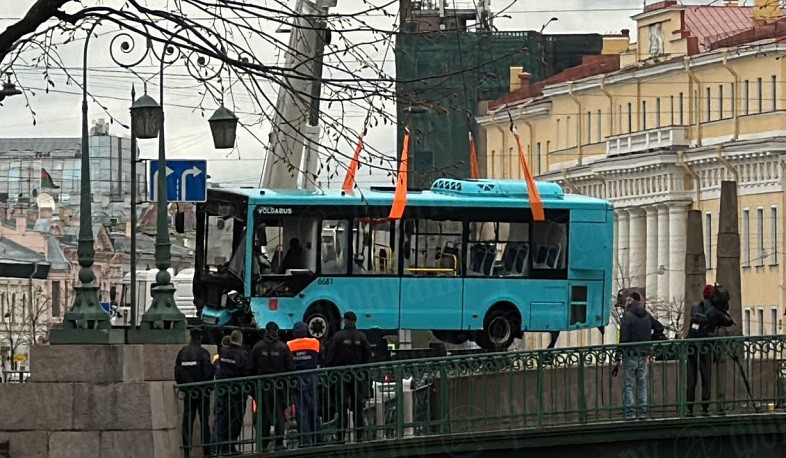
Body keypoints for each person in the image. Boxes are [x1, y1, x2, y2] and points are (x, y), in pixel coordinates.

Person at [323, 311, 372, 443]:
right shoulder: (361, 337)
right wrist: (366, 376)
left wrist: (328, 372)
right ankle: (359, 435)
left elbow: (330, 357)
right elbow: (368, 358)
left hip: (341, 375)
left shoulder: (338, 336)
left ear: (344, 320)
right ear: (355, 321)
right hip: (358, 375)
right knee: (357, 407)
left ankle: (340, 435)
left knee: (341, 405)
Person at [616, 292, 664, 420]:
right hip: (643, 354)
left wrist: (617, 356)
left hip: (630, 354)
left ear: (630, 301)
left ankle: (630, 413)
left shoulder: (628, 316)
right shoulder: (646, 315)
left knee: (628, 384)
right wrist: (650, 340)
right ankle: (643, 411)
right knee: (642, 383)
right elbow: (660, 327)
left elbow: (623, 339)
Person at [685, 284, 730, 416]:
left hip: (691, 346)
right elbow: (728, 321)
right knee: (706, 377)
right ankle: (705, 407)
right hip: (706, 346)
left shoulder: (695, 307)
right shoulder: (715, 310)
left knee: (691, 378)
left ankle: (689, 407)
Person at [251, 322, 295, 452]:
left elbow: (249, 369)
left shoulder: (257, 347)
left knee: (264, 415)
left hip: (263, 387)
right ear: (277, 331)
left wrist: (254, 390)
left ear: (265, 331)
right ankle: (279, 443)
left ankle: (264, 445)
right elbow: (291, 368)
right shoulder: (283, 347)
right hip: (279, 387)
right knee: (279, 415)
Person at [174, 328, 215, 458]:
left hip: (189, 392)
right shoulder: (203, 353)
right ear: (200, 338)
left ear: (190, 337)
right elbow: (208, 372)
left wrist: (184, 386)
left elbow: (178, 371)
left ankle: (187, 451)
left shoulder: (183, 352)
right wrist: (206, 386)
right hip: (202, 392)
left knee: (187, 421)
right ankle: (207, 451)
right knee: (204, 422)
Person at [214, 330, 251, 455]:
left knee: (222, 418)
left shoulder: (223, 351)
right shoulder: (243, 354)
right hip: (237, 392)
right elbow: (246, 372)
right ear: (240, 340)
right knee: (236, 419)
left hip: (223, 389)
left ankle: (220, 446)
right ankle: (230, 445)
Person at [287, 321, 323, 447]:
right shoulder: (315, 342)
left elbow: (288, 364)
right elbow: (320, 359)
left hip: (296, 380)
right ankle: (318, 439)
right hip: (312, 379)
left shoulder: (289, 345)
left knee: (301, 412)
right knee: (314, 409)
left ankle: (304, 441)